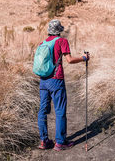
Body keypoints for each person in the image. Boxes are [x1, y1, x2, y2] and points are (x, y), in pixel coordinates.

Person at [37, 19, 90, 151]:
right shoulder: (62, 41)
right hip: (56, 80)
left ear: (49, 30)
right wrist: (84, 58)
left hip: (43, 80)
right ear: (59, 30)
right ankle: (60, 142)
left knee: (43, 110)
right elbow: (69, 60)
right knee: (60, 110)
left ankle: (44, 141)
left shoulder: (42, 43)